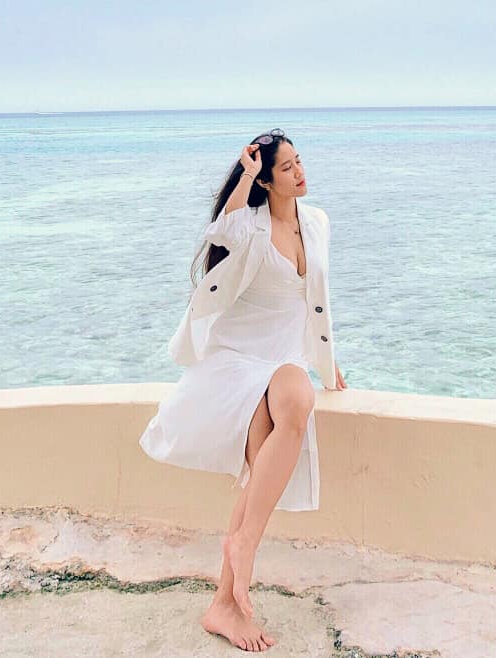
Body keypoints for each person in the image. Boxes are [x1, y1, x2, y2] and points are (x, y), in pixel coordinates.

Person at [139, 128, 347, 652]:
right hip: (240, 360)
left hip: (285, 359)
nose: (299, 172)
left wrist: (328, 363)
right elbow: (222, 230)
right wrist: (245, 176)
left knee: (299, 400)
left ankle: (243, 546)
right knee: (258, 468)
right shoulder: (250, 226)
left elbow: (316, 300)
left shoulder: (317, 222)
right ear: (267, 181)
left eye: (300, 162)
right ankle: (225, 603)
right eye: (287, 168)